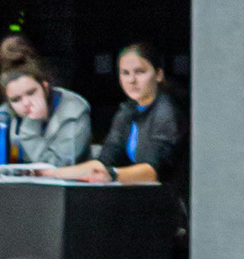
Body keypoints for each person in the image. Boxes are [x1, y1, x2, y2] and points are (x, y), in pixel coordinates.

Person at [66, 42, 183, 188]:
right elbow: (104, 161)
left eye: (140, 72)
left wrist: (113, 174)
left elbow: (153, 170)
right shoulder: (127, 110)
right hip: (136, 194)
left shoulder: (166, 111)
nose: (132, 80)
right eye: (125, 73)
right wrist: (50, 173)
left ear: (158, 74)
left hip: (170, 197)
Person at [0, 39, 91, 171]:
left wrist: (30, 128)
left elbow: (59, 166)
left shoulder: (73, 110)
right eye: (16, 99)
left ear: (45, 88)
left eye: (31, 93)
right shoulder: (3, 115)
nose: (26, 103)